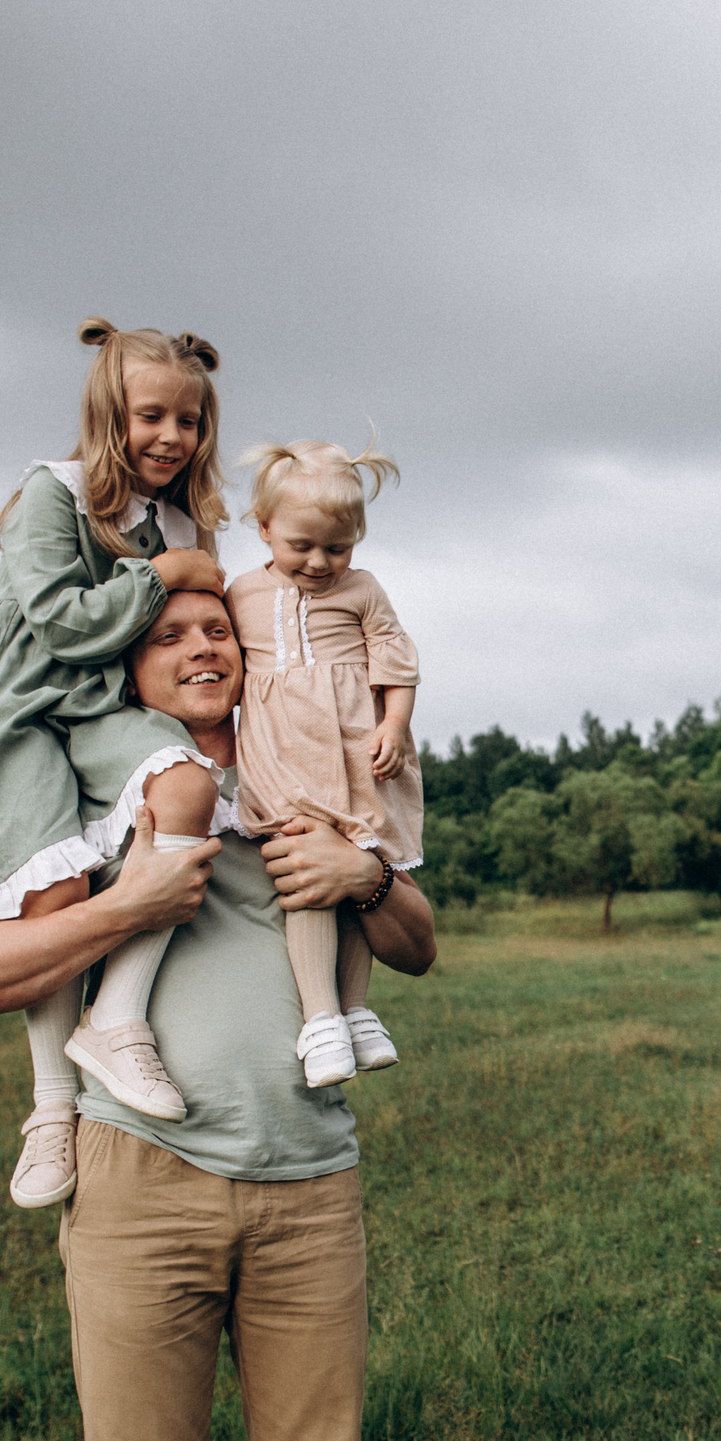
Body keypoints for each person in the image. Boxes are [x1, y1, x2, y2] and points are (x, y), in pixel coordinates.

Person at [0, 588, 434, 1441]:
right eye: (168, 636)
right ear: (129, 670)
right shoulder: (98, 799)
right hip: (140, 1188)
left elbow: (420, 942)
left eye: (217, 630)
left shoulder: (313, 766)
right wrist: (128, 903)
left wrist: (369, 876)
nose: (201, 646)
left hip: (310, 1185)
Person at [0, 318, 238, 1213]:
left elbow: (196, 638)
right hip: (26, 701)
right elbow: (58, 621)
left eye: (188, 422)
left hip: (111, 706)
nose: (170, 438)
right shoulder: (54, 493)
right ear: (111, 414)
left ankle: (117, 1020)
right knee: (55, 893)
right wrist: (161, 575)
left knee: (185, 783)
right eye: (152, 416)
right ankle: (50, 1108)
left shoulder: (186, 522)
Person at [226, 440, 423, 1088]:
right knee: (304, 861)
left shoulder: (363, 590)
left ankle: (357, 1009)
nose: (319, 562)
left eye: (337, 548)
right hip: (283, 753)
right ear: (264, 529)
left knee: (354, 861)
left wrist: (395, 722)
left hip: (354, 751)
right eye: (301, 546)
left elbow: (396, 660)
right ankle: (320, 1017)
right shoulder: (243, 592)